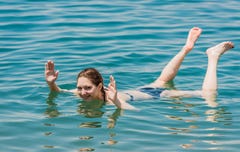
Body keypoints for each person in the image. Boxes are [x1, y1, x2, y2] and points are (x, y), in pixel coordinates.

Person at [45, 27, 234, 110]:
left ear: (99, 86)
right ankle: (186, 48)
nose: (82, 92)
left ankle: (213, 57)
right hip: (143, 90)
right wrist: (52, 84)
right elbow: (61, 91)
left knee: (206, 95)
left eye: (87, 88)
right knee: (162, 80)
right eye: (80, 88)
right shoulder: (80, 94)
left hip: (157, 95)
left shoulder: (110, 99)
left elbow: (134, 111)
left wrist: (117, 102)